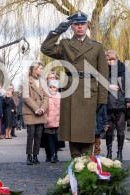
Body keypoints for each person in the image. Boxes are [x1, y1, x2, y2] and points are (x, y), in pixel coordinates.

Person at [40, 10, 108, 158]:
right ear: (71, 27)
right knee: (73, 131)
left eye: (82, 24)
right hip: (71, 90)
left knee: (87, 132)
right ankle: (75, 163)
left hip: (90, 91)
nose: (79, 27)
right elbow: (46, 49)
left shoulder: (97, 46)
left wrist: (102, 99)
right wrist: (56, 32)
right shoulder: (65, 44)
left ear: (87, 25)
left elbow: (103, 74)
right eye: (76, 24)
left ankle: (88, 165)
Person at [104, 50, 130, 161]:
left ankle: (120, 153)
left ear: (116, 59)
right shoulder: (103, 70)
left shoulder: (123, 69)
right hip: (108, 102)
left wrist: (128, 100)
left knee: (120, 129)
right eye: (107, 59)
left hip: (120, 103)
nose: (109, 61)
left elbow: (129, 85)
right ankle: (109, 152)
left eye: (111, 59)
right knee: (109, 130)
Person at [22, 62, 49, 165]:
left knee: (38, 135)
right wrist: (36, 109)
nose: (42, 70)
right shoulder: (26, 81)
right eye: (40, 68)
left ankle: (35, 156)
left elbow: (46, 96)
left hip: (41, 112)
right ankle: (29, 155)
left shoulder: (43, 81)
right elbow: (25, 96)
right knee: (31, 134)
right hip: (30, 112)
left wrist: (42, 109)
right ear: (34, 69)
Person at [44, 79, 61, 163]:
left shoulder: (60, 96)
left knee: (57, 139)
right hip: (49, 120)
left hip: (58, 120)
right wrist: (45, 118)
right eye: (50, 87)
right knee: (50, 138)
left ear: (56, 88)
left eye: (54, 87)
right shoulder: (46, 96)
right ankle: (53, 154)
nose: (52, 88)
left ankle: (55, 154)